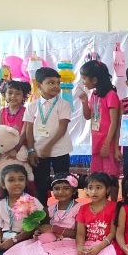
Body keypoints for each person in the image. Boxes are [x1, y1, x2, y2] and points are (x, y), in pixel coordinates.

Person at [23, 67, 73, 206]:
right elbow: (28, 129)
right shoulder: (32, 106)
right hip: (39, 152)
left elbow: (62, 128)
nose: (56, 86)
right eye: (51, 82)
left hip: (60, 150)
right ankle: (42, 213)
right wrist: (31, 150)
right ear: (39, 86)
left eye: (58, 83)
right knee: (41, 185)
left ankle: (65, 212)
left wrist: (48, 147)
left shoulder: (63, 104)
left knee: (63, 183)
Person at [78, 60, 121, 201]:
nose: (83, 82)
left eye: (85, 78)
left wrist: (107, 145)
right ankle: (100, 203)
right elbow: (88, 116)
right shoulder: (94, 95)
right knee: (97, 177)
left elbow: (114, 122)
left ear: (95, 80)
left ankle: (113, 204)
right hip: (97, 143)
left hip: (107, 144)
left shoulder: (111, 95)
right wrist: (84, 103)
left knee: (111, 176)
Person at [0, 80, 31, 148]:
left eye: (18, 94)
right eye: (10, 93)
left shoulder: (26, 112)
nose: (13, 96)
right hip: (5, 145)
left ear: (23, 96)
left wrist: (16, 148)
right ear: (4, 95)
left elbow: (24, 133)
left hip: (21, 146)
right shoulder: (2, 112)